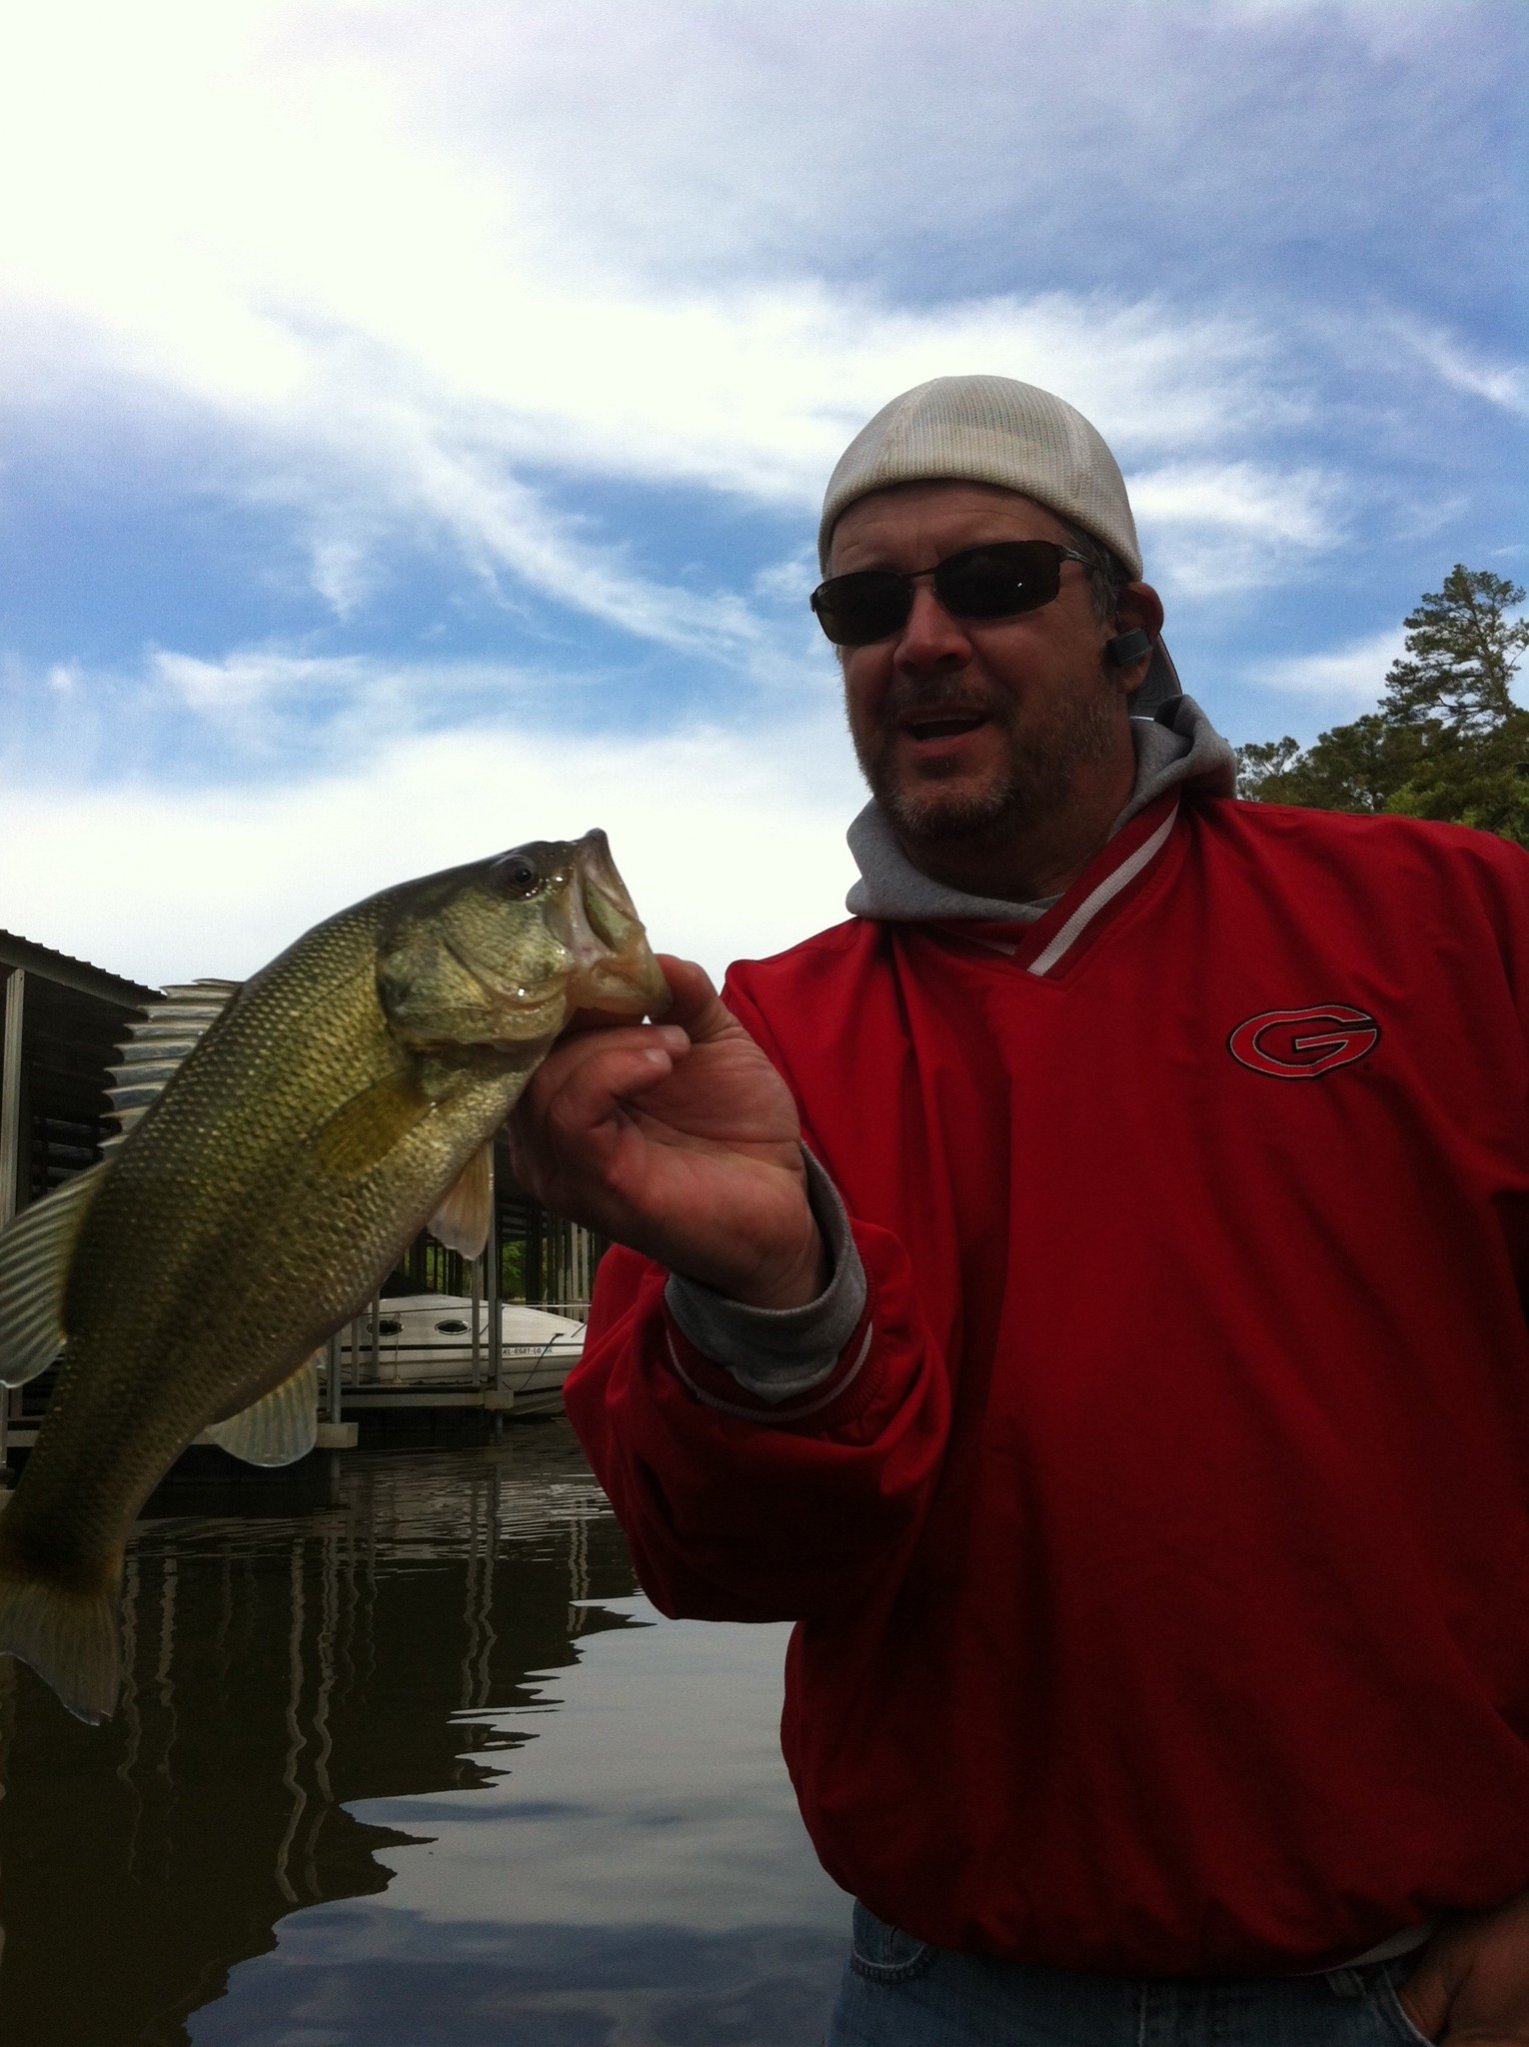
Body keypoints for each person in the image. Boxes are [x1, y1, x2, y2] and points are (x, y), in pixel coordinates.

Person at [507, 375, 1529, 2044]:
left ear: (1127, 630)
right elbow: (721, 1563)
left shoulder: (1457, 921)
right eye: (862, 607)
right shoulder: (741, 1052)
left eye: (991, 581)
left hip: (1434, 1981)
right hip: (945, 1992)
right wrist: (770, 1301)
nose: (918, 640)